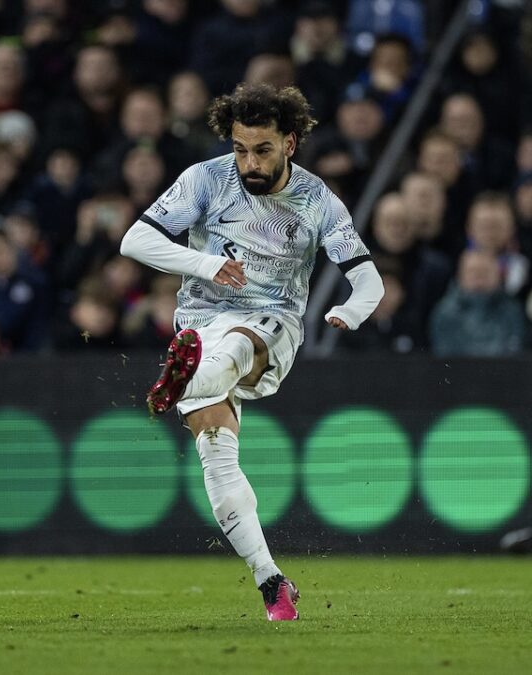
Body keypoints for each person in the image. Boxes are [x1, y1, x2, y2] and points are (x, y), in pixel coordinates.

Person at [119, 82, 383, 621]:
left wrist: (349, 313)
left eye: (261, 150)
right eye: (240, 149)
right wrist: (205, 264)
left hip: (272, 324)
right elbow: (134, 242)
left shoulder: (316, 201)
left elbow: (370, 282)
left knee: (239, 343)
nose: (249, 162)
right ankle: (271, 582)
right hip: (198, 322)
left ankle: (185, 377)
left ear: (289, 142)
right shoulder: (205, 179)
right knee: (218, 464)